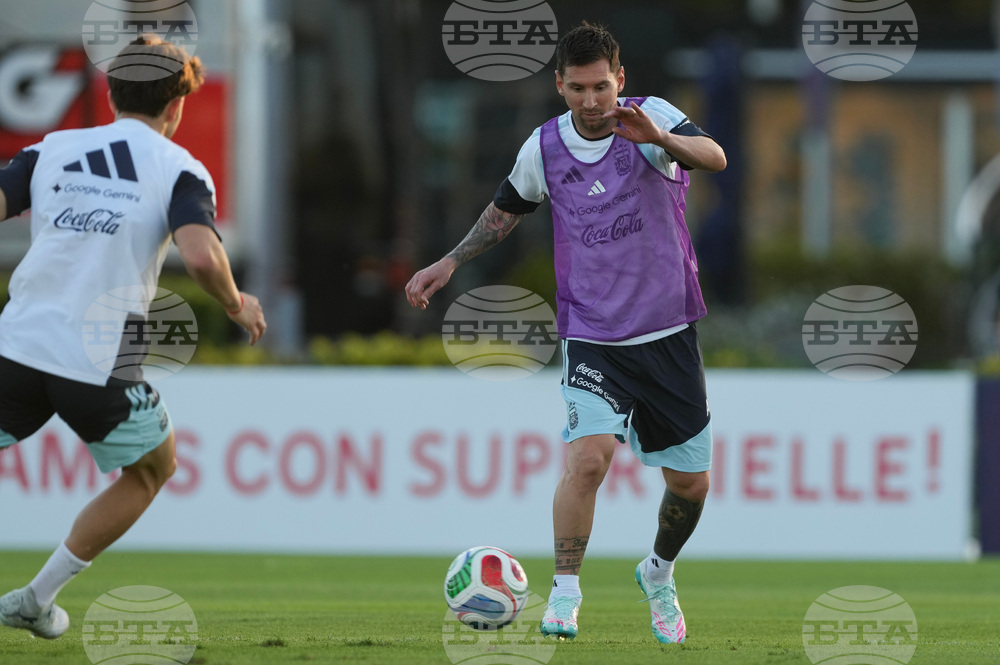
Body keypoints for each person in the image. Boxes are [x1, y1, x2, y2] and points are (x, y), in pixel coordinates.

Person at [406, 22, 725, 644]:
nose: (591, 100)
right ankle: (565, 593)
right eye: (578, 88)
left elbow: (714, 157)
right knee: (587, 460)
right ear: (559, 85)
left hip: (667, 333)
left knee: (690, 484)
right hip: (593, 335)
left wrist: (658, 137)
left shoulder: (651, 118)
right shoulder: (544, 147)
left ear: (620, 80)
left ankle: (658, 574)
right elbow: (505, 209)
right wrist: (449, 261)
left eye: (602, 86)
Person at [0, 36, 266, 639]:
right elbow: (200, 257)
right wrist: (236, 303)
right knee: (152, 471)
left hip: (16, 343)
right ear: (176, 106)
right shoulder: (180, 169)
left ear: (110, 93)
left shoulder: (51, 148)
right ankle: (36, 599)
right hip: (96, 360)